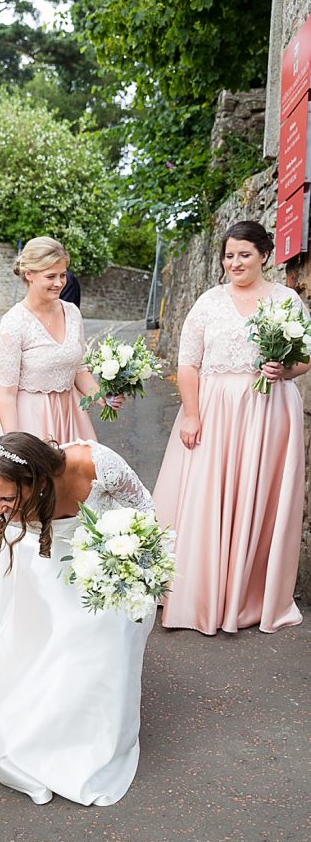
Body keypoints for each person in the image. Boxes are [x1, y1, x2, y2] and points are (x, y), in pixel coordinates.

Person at [0, 432, 156, 806]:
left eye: (8, 498)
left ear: (38, 480)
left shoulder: (93, 465)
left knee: (100, 644)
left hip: (105, 568)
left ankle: (91, 734)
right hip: (44, 571)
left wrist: (127, 564)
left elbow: (145, 512)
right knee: (46, 658)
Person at [153, 220, 310, 634]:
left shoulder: (287, 300)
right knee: (208, 497)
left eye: (244, 254)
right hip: (215, 411)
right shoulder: (208, 302)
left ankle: (246, 594)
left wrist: (285, 368)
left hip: (269, 413)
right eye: (228, 255)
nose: (235, 263)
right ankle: (201, 596)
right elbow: (188, 362)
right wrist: (192, 414)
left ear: (264, 255)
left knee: (257, 499)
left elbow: (306, 356)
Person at [0, 236, 122, 443]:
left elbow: (79, 369)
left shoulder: (72, 313)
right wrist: (14, 444)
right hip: (30, 423)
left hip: (72, 417)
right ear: (29, 275)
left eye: (63, 275)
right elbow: (7, 395)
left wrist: (103, 397)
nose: (59, 283)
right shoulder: (14, 322)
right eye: (50, 276)